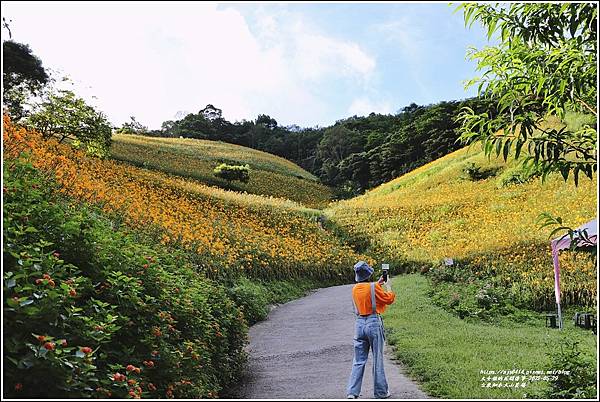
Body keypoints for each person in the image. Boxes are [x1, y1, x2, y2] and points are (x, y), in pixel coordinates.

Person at [346, 261, 395, 399]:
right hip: (373, 323)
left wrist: (377, 284)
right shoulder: (373, 287)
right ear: (368, 274)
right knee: (377, 359)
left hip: (359, 324)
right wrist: (388, 286)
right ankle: (381, 392)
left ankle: (352, 392)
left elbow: (367, 291)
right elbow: (388, 299)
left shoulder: (355, 289)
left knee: (359, 360)